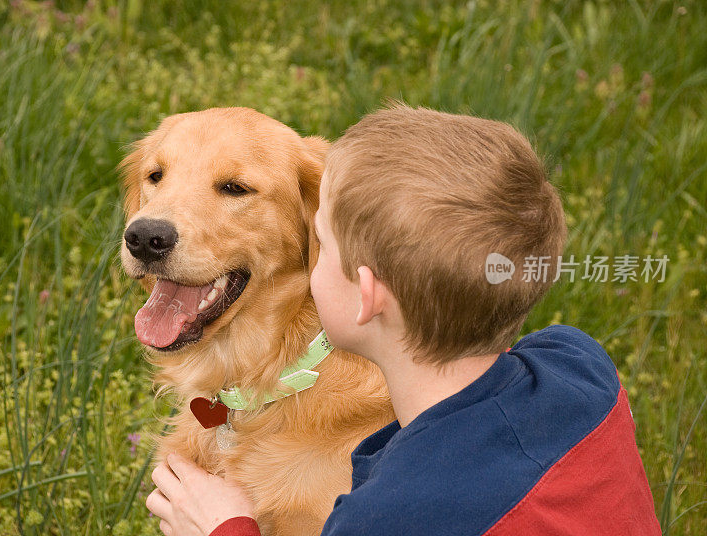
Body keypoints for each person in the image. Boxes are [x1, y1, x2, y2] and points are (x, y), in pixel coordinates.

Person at [145, 102, 662, 535]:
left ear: (367, 295)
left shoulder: (388, 514)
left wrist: (227, 529)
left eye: (322, 246)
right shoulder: (581, 361)